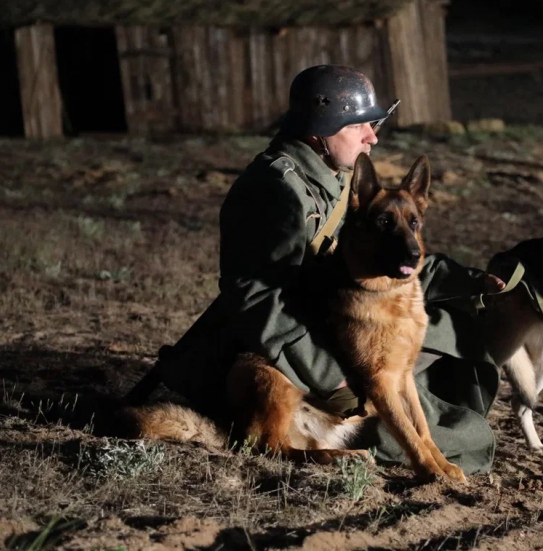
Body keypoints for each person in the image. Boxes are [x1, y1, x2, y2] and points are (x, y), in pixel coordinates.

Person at [138, 65, 505, 475]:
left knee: (453, 343)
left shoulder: (335, 176)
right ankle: (292, 444)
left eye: (374, 125)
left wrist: (471, 280)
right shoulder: (276, 190)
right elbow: (255, 297)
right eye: (361, 126)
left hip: (334, 333)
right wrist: (327, 375)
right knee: (431, 425)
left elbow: (377, 255)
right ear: (321, 130)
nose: (373, 136)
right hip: (287, 356)